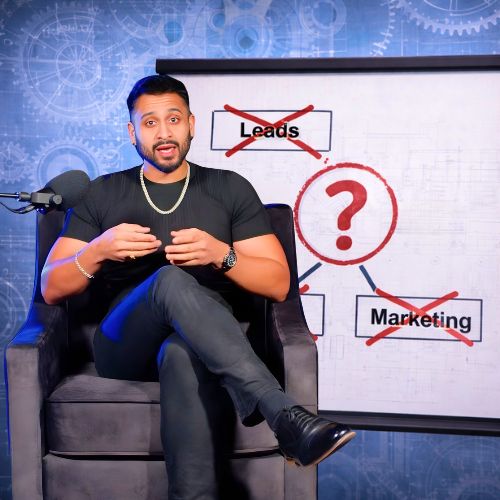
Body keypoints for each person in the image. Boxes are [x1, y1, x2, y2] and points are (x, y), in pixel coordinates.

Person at [41, 74, 355, 499]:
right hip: (122, 346)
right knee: (169, 278)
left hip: (209, 345)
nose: (163, 133)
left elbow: (279, 285)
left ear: (191, 124)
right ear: (132, 132)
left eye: (173, 119)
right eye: (150, 122)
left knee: (181, 352)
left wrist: (222, 254)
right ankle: (282, 415)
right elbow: (51, 287)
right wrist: (98, 249)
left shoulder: (229, 188)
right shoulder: (103, 193)